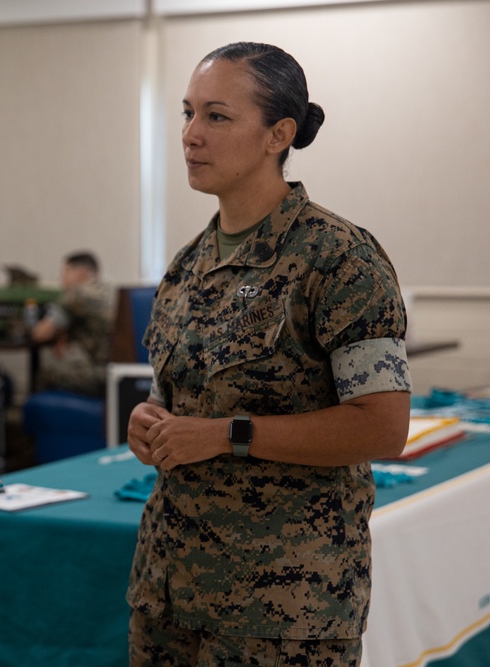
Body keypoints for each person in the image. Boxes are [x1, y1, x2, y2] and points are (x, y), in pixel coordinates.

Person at [125, 42, 411, 666]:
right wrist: (148, 424)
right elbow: (175, 403)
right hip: (169, 594)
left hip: (282, 611)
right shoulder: (188, 266)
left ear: (278, 134)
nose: (191, 135)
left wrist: (230, 435)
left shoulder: (338, 258)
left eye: (217, 117)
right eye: (187, 113)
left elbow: (384, 427)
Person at [29, 251, 116, 397]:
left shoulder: (76, 294)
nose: (61, 278)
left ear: (79, 272)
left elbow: (40, 334)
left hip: (102, 376)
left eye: (66, 271)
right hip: (123, 372)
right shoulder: (111, 290)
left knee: (44, 374)